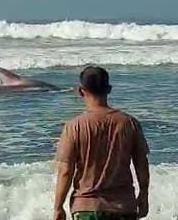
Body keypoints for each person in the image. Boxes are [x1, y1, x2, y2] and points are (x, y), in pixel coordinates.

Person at [54, 67, 150, 220]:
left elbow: (66, 170)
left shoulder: (74, 126)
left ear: (81, 91)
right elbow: (141, 164)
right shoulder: (129, 123)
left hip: (86, 208)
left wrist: (58, 207)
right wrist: (144, 195)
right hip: (123, 207)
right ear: (109, 89)